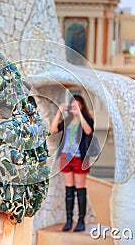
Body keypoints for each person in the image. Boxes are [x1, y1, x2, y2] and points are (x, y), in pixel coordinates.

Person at [50, 95, 94, 232]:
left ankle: (81, 221)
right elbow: (53, 130)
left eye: (77, 104)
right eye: (72, 104)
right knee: (69, 190)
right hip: (66, 157)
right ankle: (69, 220)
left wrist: (79, 115)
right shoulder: (68, 120)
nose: (74, 106)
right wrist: (59, 112)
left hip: (80, 158)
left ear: (82, 106)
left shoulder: (87, 120)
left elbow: (88, 131)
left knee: (80, 189)